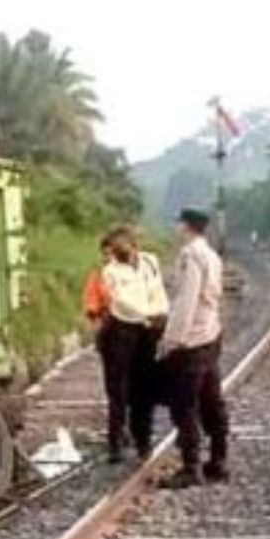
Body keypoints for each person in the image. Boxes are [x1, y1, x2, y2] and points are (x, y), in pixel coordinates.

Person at [157, 208, 227, 488]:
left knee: (184, 405)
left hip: (192, 339)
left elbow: (186, 302)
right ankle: (219, 460)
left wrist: (170, 340)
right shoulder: (211, 254)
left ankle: (191, 467)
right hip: (211, 333)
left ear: (185, 226)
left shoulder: (190, 256)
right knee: (212, 399)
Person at [99, 226, 169, 463]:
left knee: (144, 386)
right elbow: (122, 302)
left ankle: (143, 439)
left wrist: (160, 314)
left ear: (135, 246)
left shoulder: (150, 262)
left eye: (125, 250)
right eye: (118, 251)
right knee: (118, 389)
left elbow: (158, 290)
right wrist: (147, 315)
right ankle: (116, 441)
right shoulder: (111, 272)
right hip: (122, 330)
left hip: (148, 331)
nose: (121, 255)